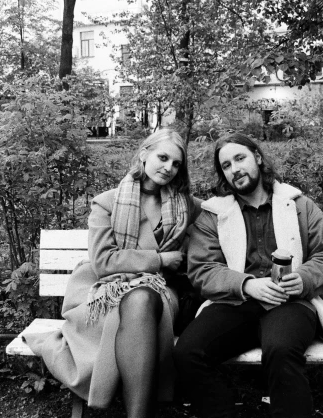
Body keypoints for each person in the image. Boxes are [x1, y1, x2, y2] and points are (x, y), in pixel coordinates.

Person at [28, 129, 201, 418]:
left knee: (142, 299)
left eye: (176, 163)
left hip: (158, 294)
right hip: (104, 292)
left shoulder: (186, 206)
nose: (168, 168)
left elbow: (217, 223)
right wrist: (158, 259)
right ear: (144, 154)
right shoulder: (107, 202)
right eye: (162, 157)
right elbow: (103, 261)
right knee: (136, 301)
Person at [173, 133, 323, 418]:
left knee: (280, 350)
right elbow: (203, 269)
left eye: (240, 158)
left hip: (291, 303)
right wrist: (247, 284)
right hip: (236, 302)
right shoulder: (214, 215)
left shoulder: (298, 205)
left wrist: (303, 279)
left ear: (257, 157)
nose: (235, 169)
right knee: (188, 352)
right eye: (226, 166)